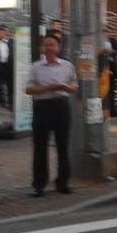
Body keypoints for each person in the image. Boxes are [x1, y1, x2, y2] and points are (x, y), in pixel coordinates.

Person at [27, 34, 78, 197]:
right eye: (46, 45)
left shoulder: (67, 66)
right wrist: (47, 88)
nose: (49, 48)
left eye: (52, 45)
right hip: (42, 106)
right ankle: (39, 184)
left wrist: (67, 87)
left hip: (61, 106)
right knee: (40, 146)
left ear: (58, 48)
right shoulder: (36, 67)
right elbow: (28, 89)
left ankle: (63, 182)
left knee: (63, 145)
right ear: (41, 48)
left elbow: (74, 85)